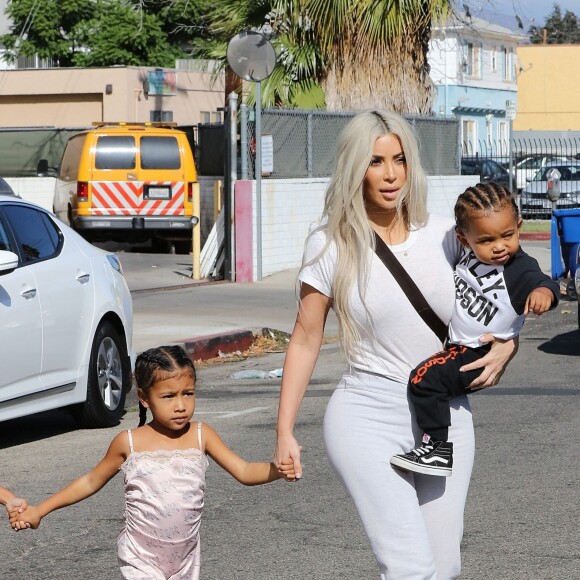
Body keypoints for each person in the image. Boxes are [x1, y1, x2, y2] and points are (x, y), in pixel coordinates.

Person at [274, 109, 518, 579]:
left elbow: (510, 286)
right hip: (366, 414)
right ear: (354, 168)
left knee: (443, 567)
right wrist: (285, 431)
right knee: (408, 565)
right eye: (375, 162)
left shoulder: (446, 234)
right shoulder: (330, 244)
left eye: (399, 160)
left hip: (445, 417)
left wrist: (508, 345)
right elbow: (305, 338)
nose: (391, 174)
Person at [12, 345, 295, 579]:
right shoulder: (129, 442)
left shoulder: (201, 435)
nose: (181, 405)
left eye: (188, 393)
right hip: (140, 557)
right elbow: (89, 481)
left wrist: (276, 470)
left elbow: (244, 470)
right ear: (144, 399)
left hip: (185, 559)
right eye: (169, 396)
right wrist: (40, 510)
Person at [390, 182, 559, 477]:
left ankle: (437, 450)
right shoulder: (467, 255)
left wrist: (544, 294)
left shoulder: (517, 267)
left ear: (519, 226)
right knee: (429, 378)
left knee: (423, 379)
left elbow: (542, 281)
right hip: (458, 345)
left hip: (476, 350)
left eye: (508, 235)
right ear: (464, 239)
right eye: (486, 240)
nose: (499, 247)